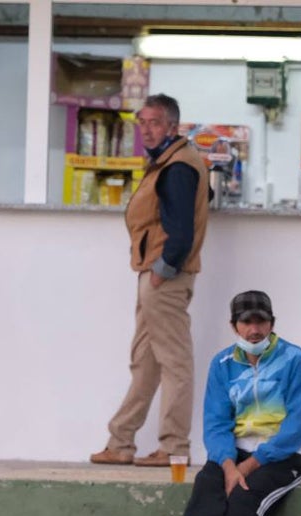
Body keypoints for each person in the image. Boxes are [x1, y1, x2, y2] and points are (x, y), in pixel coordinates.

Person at [90, 93, 209, 468]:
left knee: (174, 364)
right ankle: (121, 440)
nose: (146, 129)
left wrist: (161, 272)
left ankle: (175, 448)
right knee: (145, 362)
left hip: (164, 278)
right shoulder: (170, 162)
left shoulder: (177, 167)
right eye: (142, 122)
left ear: (172, 126)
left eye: (154, 122)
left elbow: (181, 233)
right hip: (155, 275)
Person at [149, 291, 301, 516]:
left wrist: (247, 467)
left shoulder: (295, 359)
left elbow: (296, 427)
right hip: (235, 454)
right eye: (247, 322)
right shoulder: (222, 363)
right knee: (208, 480)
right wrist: (228, 466)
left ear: (272, 323)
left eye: (261, 322)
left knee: (245, 496)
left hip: (284, 457)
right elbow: (216, 423)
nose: (254, 329)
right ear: (233, 325)